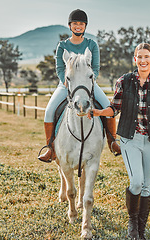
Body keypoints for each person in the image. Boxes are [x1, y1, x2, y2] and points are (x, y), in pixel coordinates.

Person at [87, 43, 150, 240]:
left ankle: (140, 231)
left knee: (146, 187)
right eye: (139, 57)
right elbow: (115, 108)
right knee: (136, 182)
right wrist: (100, 112)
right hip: (130, 139)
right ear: (134, 59)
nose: (143, 60)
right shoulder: (124, 81)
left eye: (146, 57)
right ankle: (132, 223)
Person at [38, 9, 121, 162]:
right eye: (75, 23)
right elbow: (59, 68)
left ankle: (113, 141)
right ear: (70, 26)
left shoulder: (92, 45)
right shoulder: (62, 45)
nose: (78, 26)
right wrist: (65, 81)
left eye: (81, 24)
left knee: (107, 108)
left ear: (85, 26)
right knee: (49, 111)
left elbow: (95, 67)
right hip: (67, 85)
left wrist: (89, 81)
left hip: (88, 85)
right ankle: (51, 148)